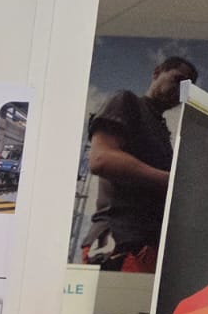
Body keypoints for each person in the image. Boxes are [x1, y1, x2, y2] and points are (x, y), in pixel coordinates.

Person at [84, 55, 199, 273]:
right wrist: (172, 181)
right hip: (120, 242)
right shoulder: (126, 101)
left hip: (147, 246)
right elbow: (101, 159)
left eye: (187, 88)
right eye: (177, 79)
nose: (180, 90)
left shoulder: (161, 132)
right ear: (157, 72)